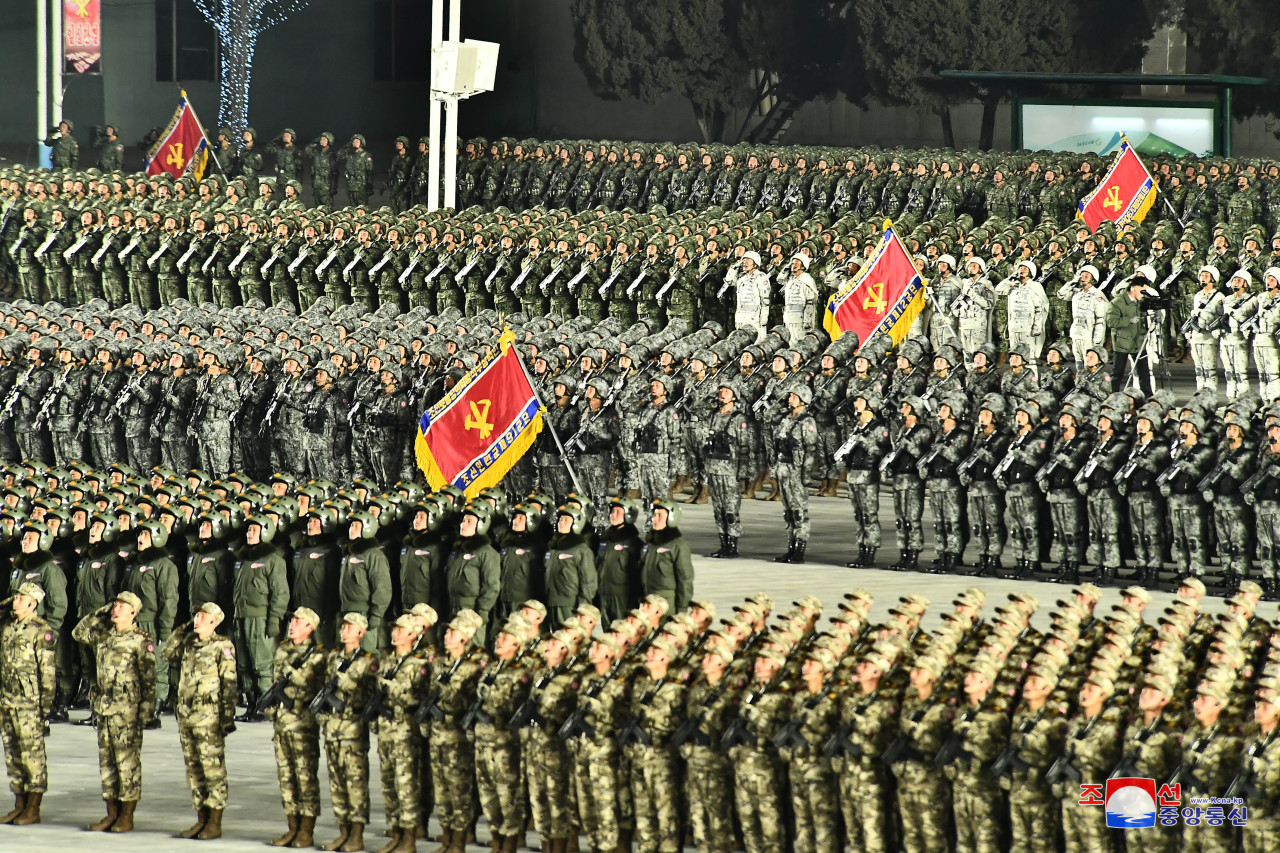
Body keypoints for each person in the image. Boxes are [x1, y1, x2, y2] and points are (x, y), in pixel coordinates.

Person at [72, 590, 156, 833]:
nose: (116, 609)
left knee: (127, 763)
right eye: (115, 605)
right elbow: (78, 633)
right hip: (104, 708)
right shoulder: (105, 635)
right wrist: (99, 612)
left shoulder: (141, 640)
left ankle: (127, 816)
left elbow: (149, 680)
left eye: (122, 606)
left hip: (127, 711)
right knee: (107, 763)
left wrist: (145, 713)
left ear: (134, 612)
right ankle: (111, 813)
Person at [162, 601, 237, 840]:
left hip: (209, 716)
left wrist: (226, 716)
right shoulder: (189, 643)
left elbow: (230, 683)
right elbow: (166, 653)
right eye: (196, 615)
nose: (197, 619)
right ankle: (201, 819)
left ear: (214, 623)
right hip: (187, 714)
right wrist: (183, 628)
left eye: (203, 617)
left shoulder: (222, 646)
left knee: (212, 769)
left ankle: (214, 822)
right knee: (193, 769)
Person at [264, 606, 328, 848]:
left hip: (302, 724)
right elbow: (274, 684)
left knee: (305, 777)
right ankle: (292, 827)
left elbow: (316, 689)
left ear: (310, 628)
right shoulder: (282, 650)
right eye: (292, 621)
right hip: (282, 724)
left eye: (298, 622)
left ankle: (306, 831)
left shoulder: (317, 656)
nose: (292, 625)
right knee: (286, 777)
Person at [316, 612, 378, 853]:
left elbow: (371, 695)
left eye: (350, 628)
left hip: (353, 731)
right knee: (337, 784)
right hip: (332, 730)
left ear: (361, 633)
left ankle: (357, 835)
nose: (344, 631)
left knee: (355, 784)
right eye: (343, 626)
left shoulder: (368, 661)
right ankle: (343, 832)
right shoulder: (333, 658)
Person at [0, 583, 55, 826]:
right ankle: (19, 804)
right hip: (7, 698)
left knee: (32, 755)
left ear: (33, 604)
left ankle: (33, 807)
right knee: (12, 754)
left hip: (30, 702)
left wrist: (45, 707)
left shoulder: (40, 631)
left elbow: (48, 672)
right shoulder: (8, 627)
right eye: (16, 596)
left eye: (22, 598)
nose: (16, 601)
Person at [773, 386, 819, 563]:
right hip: (783, 468)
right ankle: (791, 546)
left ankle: (800, 548)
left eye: (794, 396)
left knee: (799, 511)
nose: (790, 398)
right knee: (788, 512)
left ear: (803, 399)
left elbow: (811, 449)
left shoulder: (807, 421)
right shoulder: (787, 419)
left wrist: (806, 474)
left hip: (796, 470)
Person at [641, 500, 694, 614]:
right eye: (654, 515)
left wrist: (682, 608)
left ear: (671, 518)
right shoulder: (650, 544)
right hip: (647, 601)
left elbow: (685, 579)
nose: (654, 519)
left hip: (667, 603)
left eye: (660, 515)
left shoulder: (678, 546)